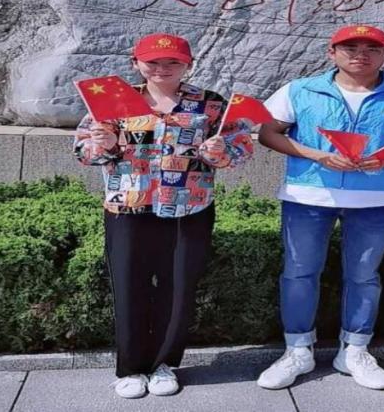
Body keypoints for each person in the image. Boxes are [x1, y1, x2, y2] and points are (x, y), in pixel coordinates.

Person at [255, 24, 384, 391]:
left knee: (364, 275)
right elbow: (268, 133)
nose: (361, 54)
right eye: (350, 47)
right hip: (309, 195)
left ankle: (355, 350)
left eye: (372, 48)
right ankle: (298, 350)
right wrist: (317, 155)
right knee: (299, 272)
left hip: (375, 198)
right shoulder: (300, 89)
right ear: (332, 52)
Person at [73, 33, 253, 399]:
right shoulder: (112, 99)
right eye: (152, 62)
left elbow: (240, 149)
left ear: (188, 64)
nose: (162, 69)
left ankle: (163, 364)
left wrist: (217, 151)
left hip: (189, 207)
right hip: (128, 206)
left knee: (178, 288)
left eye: (173, 62)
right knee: (129, 286)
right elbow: (84, 150)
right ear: (136, 63)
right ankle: (130, 368)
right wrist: (106, 146)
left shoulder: (210, 104)